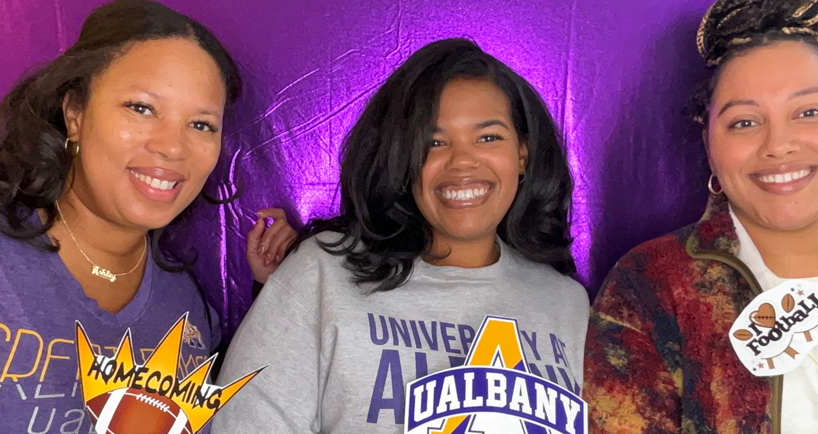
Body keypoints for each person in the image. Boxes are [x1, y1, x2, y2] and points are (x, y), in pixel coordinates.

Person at [0, 1, 292, 432]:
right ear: (75, 114)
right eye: (141, 108)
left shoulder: (187, 311)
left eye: (201, 125)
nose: (172, 147)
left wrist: (279, 291)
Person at [210, 37, 589, 433]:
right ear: (403, 160)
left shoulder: (566, 305)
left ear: (522, 155)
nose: (462, 161)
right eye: (432, 142)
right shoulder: (322, 276)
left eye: (488, 137)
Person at [583, 0, 818, 433]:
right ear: (710, 145)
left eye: (809, 112)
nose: (778, 145)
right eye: (744, 122)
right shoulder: (651, 287)